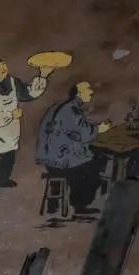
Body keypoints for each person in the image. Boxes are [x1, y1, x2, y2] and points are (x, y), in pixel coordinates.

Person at [0, 57, 54, 195]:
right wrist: (10, 115)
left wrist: (43, 75)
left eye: (4, 66)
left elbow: (29, 93)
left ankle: (2, 180)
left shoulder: (13, 83)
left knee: (7, 160)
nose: (3, 70)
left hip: (9, 133)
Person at [36, 81, 113, 213]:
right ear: (79, 93)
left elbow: (75, 131)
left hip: (52, 158)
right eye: (88, 89)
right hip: (60, 160)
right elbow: (83, 133)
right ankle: (80, 205)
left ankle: (55, 206)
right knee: (97, 165)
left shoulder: (64, 106)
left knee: (90, 160)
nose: (91, 92)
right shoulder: (70, 109)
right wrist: (100, 129)